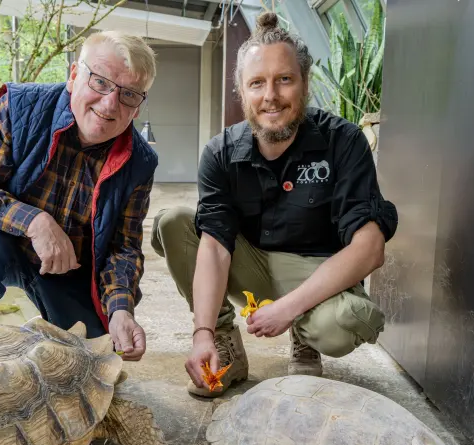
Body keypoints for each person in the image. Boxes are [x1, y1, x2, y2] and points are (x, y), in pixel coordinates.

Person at [151, 12, 398, 396]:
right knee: (175, 221)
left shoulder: (344, 141)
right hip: (251, 265)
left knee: (349, 322)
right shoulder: (220, 153)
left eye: (284, 79)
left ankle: (307, 337)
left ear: (304, 84)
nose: (271, 96)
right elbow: (214, 246)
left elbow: (370, 248)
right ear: (242, 91)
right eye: (257, 83)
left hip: (316, 273)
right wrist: (201, 332)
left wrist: (289, 309)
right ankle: (222, 345)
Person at [0, 31, 158, 361]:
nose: (110, 103)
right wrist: (35, 222)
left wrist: (121, 308)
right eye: (99, 82)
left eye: (128, 95)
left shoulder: (138, 161)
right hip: (1, 243)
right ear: (73, 76)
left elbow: (123, 247)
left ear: (138, 107)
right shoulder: (18, 108)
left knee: (91, 359)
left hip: (69, 268)